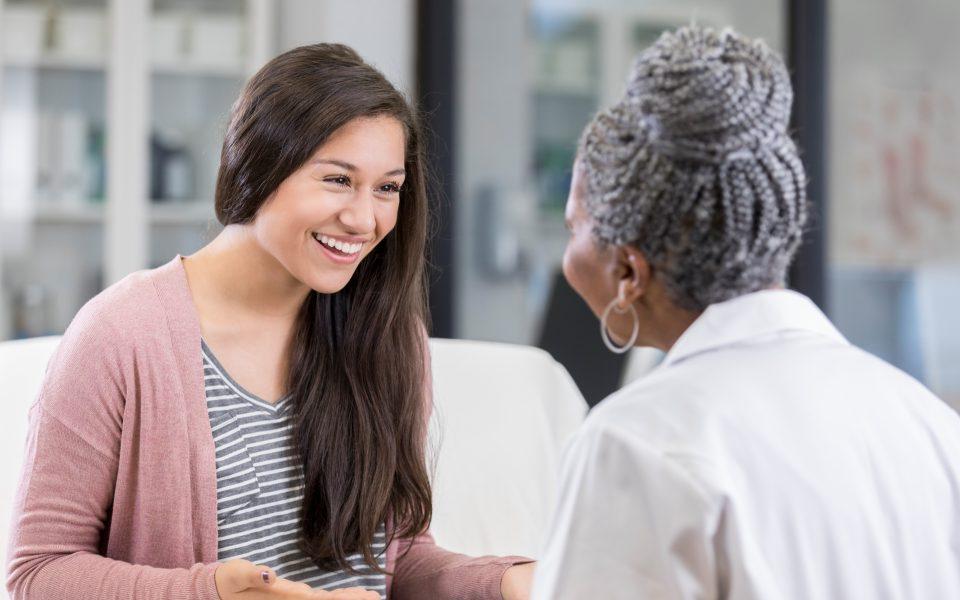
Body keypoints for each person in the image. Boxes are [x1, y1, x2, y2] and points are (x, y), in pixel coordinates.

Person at [7, 44, 534, 600]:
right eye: (336, 179)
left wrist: (506, 582)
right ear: (258, 166)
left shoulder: (387, 334)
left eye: (387, 188)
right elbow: (38, 574)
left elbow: (397, 560)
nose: (362, 219)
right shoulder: (120, 335)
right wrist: (210, 592)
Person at [532, 25, 960, 600]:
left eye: (573, 229)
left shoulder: (635, 443)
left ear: (629, 273)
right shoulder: (927, 423)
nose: (567, 256)